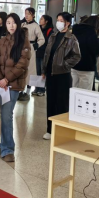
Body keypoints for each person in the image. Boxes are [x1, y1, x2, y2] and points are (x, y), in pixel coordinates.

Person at [0, 13, 31, 162]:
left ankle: (8, 149)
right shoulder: (2, 40)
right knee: (4, 114)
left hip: (13, 85)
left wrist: (7, 79)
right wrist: (0, 79)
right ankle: (3, 144)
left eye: (14, 22)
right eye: (8, 23)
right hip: (3, 84)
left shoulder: (23, 41)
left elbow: (22, 64)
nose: (11, 25)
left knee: (7, 115)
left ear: (18, 24)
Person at [42, 12, 80, 140]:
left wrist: (64, 64)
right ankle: (50, 129)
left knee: (62, 103)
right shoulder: (53, 35)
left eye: (61, 20)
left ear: (67, 23)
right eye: (57, 20)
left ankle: (60, 131)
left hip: (63, 74)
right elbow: (47, 54)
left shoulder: (71, 38)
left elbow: (76, 56)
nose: (58, 22)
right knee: (50, 102)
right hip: (51, 73)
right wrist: (44, 69)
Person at [71, 15, 99, 90]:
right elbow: (96, 51)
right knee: (84, 92)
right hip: (87, 67)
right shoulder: (92, 32)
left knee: (72, 90)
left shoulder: (76, 29)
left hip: (74, 65)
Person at [20, 7, 45, 101]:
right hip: (21, 49)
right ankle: (20, 90)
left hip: (30, 49)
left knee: (30, 70)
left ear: (33, 15)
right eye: (25, 14)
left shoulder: (35, 26)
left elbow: (42, 39)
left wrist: (36, 45)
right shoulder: (22, 24)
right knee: (21, 69)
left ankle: (27, 92)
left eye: (29, 14)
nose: (26, 16)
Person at [34, 15, 53, 96]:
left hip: (44, 54)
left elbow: (49, 43)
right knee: (37, 71)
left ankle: (42, 89)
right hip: (37, 53)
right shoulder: (39, 29)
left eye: (42, 19)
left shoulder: (50, 31)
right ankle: (37, 88)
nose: (40, 20)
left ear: (46, 21)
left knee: (43, 72)